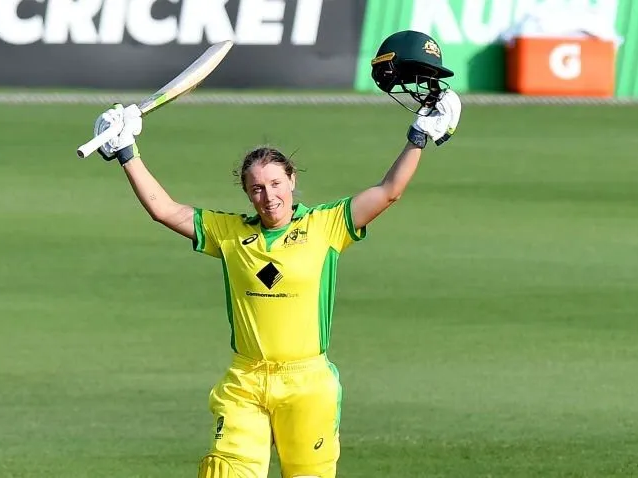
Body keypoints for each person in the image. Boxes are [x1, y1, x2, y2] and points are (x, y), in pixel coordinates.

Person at [92, 29, 461, 478]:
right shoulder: (229, 234)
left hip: (307, 382)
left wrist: (419, 136)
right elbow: (164, 210)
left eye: (275, 184)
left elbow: (388, 192)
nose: (268, 196)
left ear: (291, 181)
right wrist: (128, 151)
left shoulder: (325, 226)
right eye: (256, 189)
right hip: (245, 381)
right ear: (247, 194)